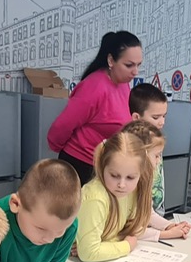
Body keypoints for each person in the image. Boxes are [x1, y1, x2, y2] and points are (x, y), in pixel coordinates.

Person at [47, 31, 142, 185]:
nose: (135, 71)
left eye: (138, 65)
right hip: (80, 165)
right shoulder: (94, 87)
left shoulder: (124, 85)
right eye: (129, 65)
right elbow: (62, 126)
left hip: (105, 163)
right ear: (111, 60)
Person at [76, 131, 153, 262]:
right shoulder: (96, 198)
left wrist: (109, 242)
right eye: (114, 175)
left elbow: (132, 231)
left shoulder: (134, 191)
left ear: (140, 174)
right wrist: (127, 245)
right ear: (102, 167)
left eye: (130, 177)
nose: (122, 185)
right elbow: (88, 252)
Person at [121, 120, 191, 241]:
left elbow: (148, 213)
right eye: (157, 155)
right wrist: (167, 234)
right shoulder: (122, 186)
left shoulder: (144, 180)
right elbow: (125, 229)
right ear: (141, 155)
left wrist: (169, 226)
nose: (159, 161)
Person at [129, 83, 168, 214]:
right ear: (136, 117)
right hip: (138, 215)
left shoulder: (156, 142)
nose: (162, 122)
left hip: (156, 213)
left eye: (164, 116)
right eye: (156, 117)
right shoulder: (130, 148)